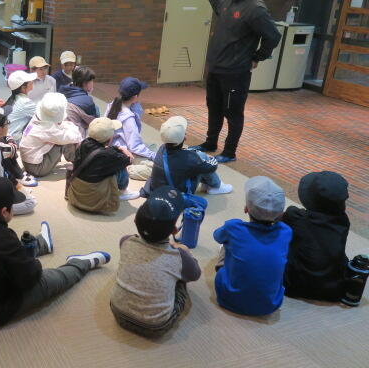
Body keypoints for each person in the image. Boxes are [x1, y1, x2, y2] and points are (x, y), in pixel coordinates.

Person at [0, 176, 111, 328]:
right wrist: (33, 263)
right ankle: (79, 264)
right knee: (48, 280)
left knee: (6, 255)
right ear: (4, 211)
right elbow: (31, 278)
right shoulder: (3, 239)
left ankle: (41, 244)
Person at [189, 0, 282, 163]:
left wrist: (257, 57)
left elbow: (273, 36)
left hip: (235, 72)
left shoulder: (255, 8)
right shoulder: (231, 1)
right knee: (214, 108)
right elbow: (219, 7)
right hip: (216, 68)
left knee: (233, 113)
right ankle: (210, 143)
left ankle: (229, 152)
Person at [111, 186, 201, 337]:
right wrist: (184, 251)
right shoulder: (178, 257)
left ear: (135, 220)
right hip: (156, 326)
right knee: (181, 279)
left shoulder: (125, 241)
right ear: (174, 230)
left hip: (117, 311)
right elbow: (195, 274)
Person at [214, 176, 292, 316]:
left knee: (226, 246)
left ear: (246, 209)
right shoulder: (286, 232)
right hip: (270, 305)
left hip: (228, 299)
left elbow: (217, 236)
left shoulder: (233, 227)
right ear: (280, 213)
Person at [282, 171, 350, 302]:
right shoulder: (343, 221)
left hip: (295, 285)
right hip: (333, 288)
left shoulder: (296, 217)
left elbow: (274, 217)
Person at [146, 116, 232, 198]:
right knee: (202, 158)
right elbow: (211, 167)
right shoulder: (190, 158)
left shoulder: (162, 149)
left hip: (159, 189)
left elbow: (182, 155)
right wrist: (212, 158)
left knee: (198, 158)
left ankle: (207, 184)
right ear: (185, 137)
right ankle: (217, 186)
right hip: (177, 194)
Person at [67, 118, 134, 213]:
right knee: (120, 168)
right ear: (109, 138)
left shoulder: (83, 143)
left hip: (76, 194)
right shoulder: (109, 155)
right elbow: (130, 159)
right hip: (93, 200)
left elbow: (103, 152)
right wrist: (124, 149)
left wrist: (115, 148)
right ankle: (123, 192)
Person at [20, 92, 82, 178]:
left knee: (64, 135)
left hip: (29, 162)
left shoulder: (37, 118)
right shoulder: (47, 129)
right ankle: (78, 163)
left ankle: (76, 160)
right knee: (66, 141)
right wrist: (72, 128)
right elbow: (74, 136)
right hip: (37, 168)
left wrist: (68, 127)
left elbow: (62, 127)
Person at [106, 77, 155, 181]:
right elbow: (135, 146)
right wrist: (154, 156)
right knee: (156, 168)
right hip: (123, 154)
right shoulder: (128, 117)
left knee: (151, 148)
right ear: (135, 97)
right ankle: (126, 170)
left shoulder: (112, 105)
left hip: (113, 149)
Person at [6, 70, 38, 142]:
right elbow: (43, 116)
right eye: (29, 81)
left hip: (9, 137)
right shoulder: (25, 102)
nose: (32, 81)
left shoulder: (15, 98)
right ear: (23, 88)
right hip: (15, 141)